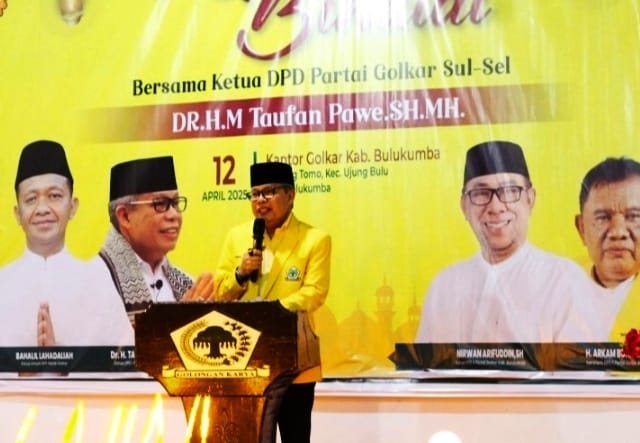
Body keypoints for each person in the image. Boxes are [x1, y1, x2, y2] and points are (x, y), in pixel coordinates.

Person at [415, 140, 594, 343]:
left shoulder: (565, 281)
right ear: (464, 206)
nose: (496, 207)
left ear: (530, 199)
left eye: (509, 191)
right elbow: (425, 362)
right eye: (480, 193)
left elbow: (579, 362)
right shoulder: (444, 286)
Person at [214, 161, 331, 443]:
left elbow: (314, 292)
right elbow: (220, 293)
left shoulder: (314, 239)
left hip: (295, 361)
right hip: (246, 360)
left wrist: (269, 314)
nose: (260, 201)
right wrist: (240, 273)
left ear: (290, 195)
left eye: (268, 192)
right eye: (255, 194)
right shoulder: (237, 236)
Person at [0, 140, 133, 347]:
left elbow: (126, 358)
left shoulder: (97, 281)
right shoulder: (3, 283)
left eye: (54, 196)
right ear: (18, 214)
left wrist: (64, 360)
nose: (42, 209)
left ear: (72, 206)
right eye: (31, 199)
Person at [91, 155, 213, 325]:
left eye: (176, 203)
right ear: (125, 216)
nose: (174, 215)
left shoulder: (185, 283)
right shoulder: (94, 281)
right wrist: (182, 321)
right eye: (160, 204)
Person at [574, 157, 640, 341]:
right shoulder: (555, 286)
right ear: (582, 228)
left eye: (634, 217)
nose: (618, 232)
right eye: (602, 217)